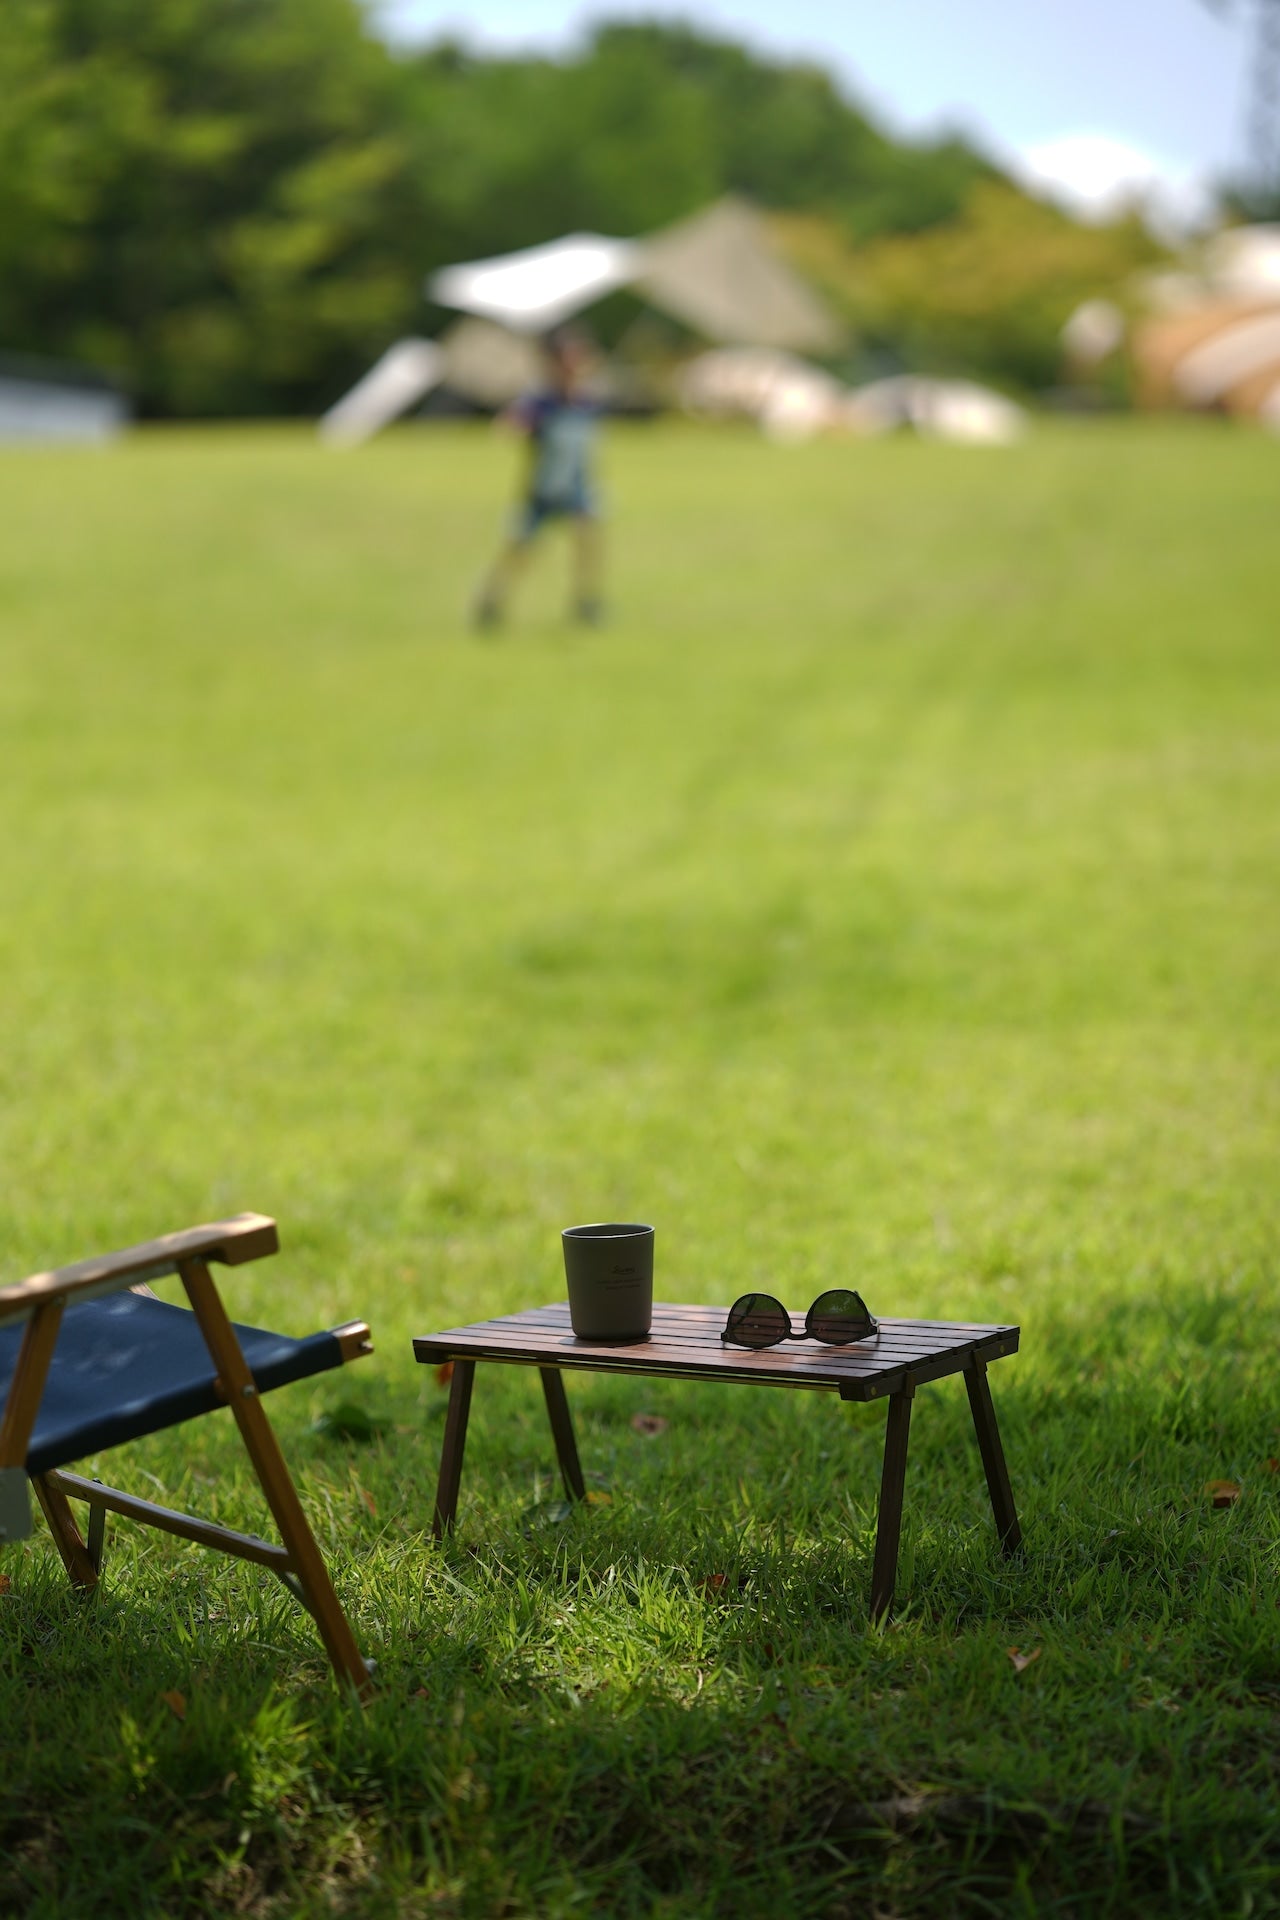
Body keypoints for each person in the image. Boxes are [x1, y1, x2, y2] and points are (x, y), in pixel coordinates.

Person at [472, 326, 604, 630]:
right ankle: (492, 600)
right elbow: (512, 423)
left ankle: (586, 601)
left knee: (588, 541)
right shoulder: (542, 402)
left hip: (578, 486)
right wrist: (514, 426)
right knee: (520, 547)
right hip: (543, 489)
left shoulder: (586, 401)